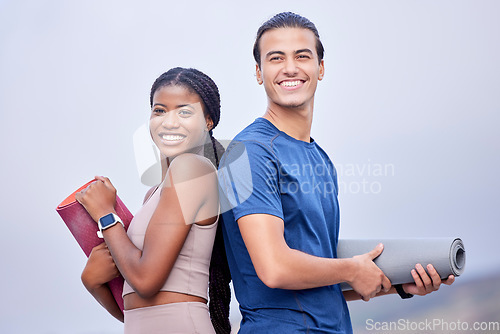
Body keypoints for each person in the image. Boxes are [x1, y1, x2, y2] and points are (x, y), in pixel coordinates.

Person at [218, 12, 454, 333]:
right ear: (259, 73)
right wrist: (351, 268)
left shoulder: (320, 159)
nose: (290, 68)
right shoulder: (250, 152)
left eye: (302, 56)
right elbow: (274, 268)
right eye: (276, 58)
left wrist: (397, 285)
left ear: (321, 68)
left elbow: (323, 281)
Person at [75, 67, 231, 334]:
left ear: (208, 121)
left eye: (184, 112)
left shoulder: (192, 168)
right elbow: (135, 309)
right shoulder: (153, 194)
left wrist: (105, 215)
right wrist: (93, 283)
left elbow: (146, 281)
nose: (169, 122)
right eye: (160, 110)